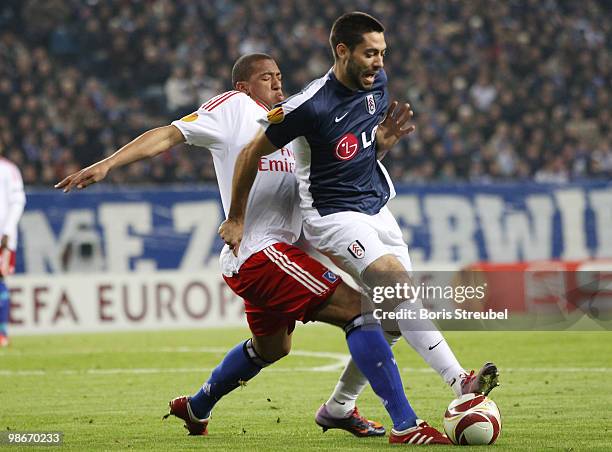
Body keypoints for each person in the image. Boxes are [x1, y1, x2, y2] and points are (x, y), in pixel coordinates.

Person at [56, 53, 451, 444]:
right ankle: (405, 425)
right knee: (359, 312)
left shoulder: (292, 125)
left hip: (271, 258)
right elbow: (168, 133)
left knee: (272, 347)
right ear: (243, 86)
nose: (278, 83)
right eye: (266, 77)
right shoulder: (234, 107)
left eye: (279, 75)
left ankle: (197, 406)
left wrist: (377, 146)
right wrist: (109, 164)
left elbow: (334, 181)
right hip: (260, 253)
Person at [219, 12, 499, 443]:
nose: (378, 63)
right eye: (370, 53)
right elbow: (249, 154)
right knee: (396, 286)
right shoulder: (307, 105)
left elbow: (353, 150)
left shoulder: (378, 86)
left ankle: (338, 407)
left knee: (389, 319)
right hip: (332, 216)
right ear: (342, 51)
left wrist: (379, 146)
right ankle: (459, 380)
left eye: (383, 54)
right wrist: (236, 216)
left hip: (376, 209)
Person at [0, 156, 26, 347]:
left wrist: (8, 230)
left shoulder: (8, 169)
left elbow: (18, 200)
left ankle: (2, 333)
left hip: (2, 237)